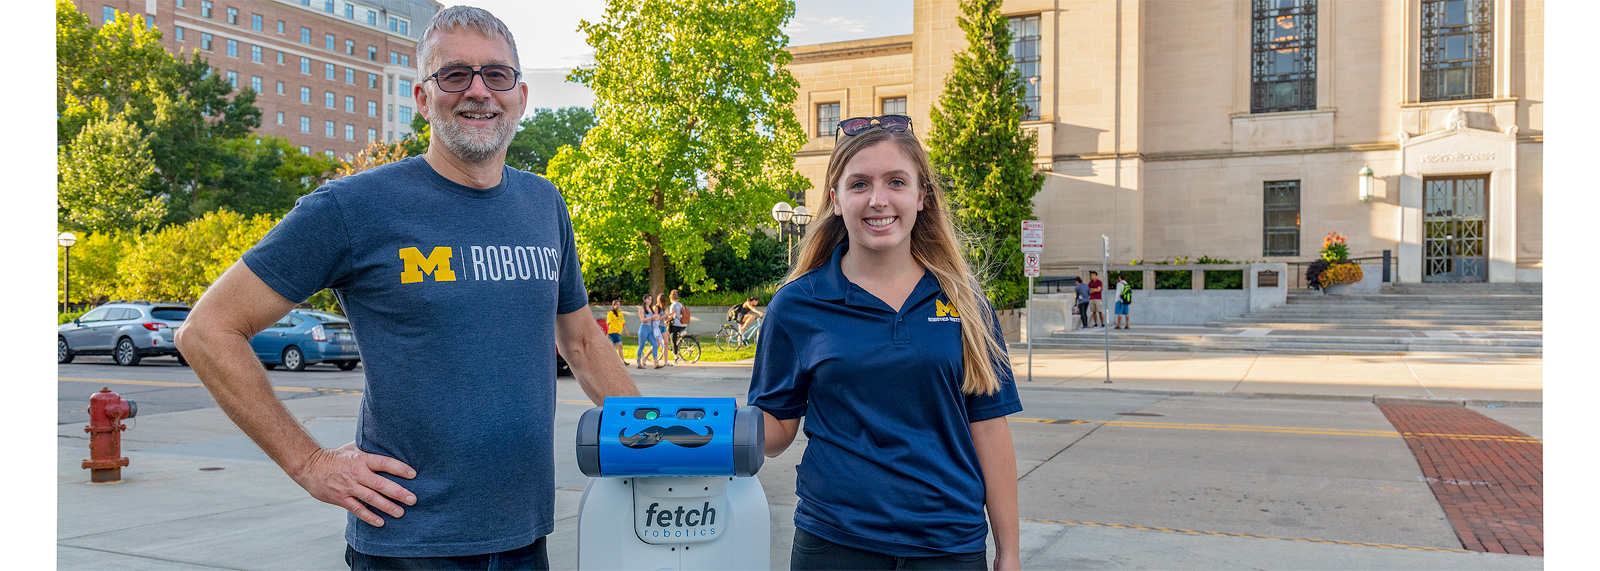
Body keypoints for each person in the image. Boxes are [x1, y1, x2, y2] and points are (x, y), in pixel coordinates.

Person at [172, 7, 641, 570]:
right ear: (423, 97)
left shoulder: (544, 204)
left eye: (496, 75)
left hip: (525, 538)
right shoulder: (352, 207)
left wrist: (656, 437)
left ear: (520, 95)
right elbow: (208, 330)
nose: (477, 91)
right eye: (454, 75)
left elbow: (583, 343)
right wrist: (310, 463)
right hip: (408, 544)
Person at [746, 115, 1022, 570]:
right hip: (834, 544)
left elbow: (989, 429)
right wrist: (712, 432)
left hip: (949, 546)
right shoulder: (796, 306)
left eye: (896, 182)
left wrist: (1008, 553)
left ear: (921, 196)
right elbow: (776, 431)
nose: (878, 200)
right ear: (835, 200)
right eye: (859, 185)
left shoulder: (965, 303)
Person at [636, 294, 663, 369]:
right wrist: (652, 317)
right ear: (644, 300)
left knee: (655, 345)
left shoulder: (651, 308)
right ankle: (638, 363)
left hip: (650, 328)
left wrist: (656, 318)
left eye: (651, 299)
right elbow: (643, 319)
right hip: (644, 328)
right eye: (648, 299)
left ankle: (656, 363)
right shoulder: (642, 309)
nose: (650, 301)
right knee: (641, 346)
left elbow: (653, 318)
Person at [667, 290, 688, 363]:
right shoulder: (680, 304)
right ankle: (677, 347)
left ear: (671, 298)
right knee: (676, 338)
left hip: (676, 324)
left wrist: (666, 320)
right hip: (683, 324)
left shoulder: (673, 305)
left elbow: (671, 315)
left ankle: (676, 356)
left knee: (673, 339)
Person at [607, 299, 629, 364]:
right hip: (613, 331)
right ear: (613, 305)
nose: (618, 306)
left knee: (613, 347)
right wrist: (607, 333)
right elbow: (608, 323)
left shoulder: (620, 313)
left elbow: (623, 324)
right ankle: (622, 361)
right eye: (617, 304)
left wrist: (626, 332)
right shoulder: (611, 313)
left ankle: (610, 360)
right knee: (620, 345)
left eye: (619, 304)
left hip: (618, 332)